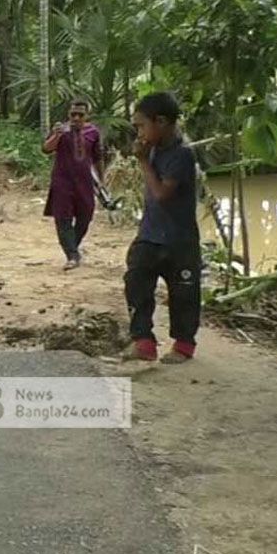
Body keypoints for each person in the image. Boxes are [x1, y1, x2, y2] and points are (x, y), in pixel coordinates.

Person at [122, 92, 201, 364]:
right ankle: (143, 341)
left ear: (162, 122)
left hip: (180, 239)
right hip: (151, 233)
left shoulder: (181, 154)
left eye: (141, 125)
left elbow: (162, 194)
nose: (139, 132)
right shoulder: (154, 148)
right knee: (136, 279)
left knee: (184, 293)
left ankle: (183, 345)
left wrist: (143, 162)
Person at [43, 100, 103, 270]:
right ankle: (72, 255)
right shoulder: (61, 130)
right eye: (73, 114)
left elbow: (98, 158)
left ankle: (72, 247)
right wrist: (56, 135)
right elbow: (46, 149)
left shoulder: (93, 132)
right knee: (63, 218)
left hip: (84, 182)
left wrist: (102, 181)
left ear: (87, 116)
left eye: (80, 115)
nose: (76, 118)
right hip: (62, 182)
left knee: (86, 215)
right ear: (68, 115)